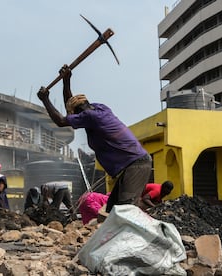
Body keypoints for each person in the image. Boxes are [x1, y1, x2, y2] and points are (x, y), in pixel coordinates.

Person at [38, 65, 152, 213]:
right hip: (132, 165)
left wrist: (45, 99)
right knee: (111, 209)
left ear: (78, 113)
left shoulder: (90, 117)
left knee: (126, 210)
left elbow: (60, 121)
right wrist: (66, 80)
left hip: (136, 165)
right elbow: (71, 105)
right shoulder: (99, 108)